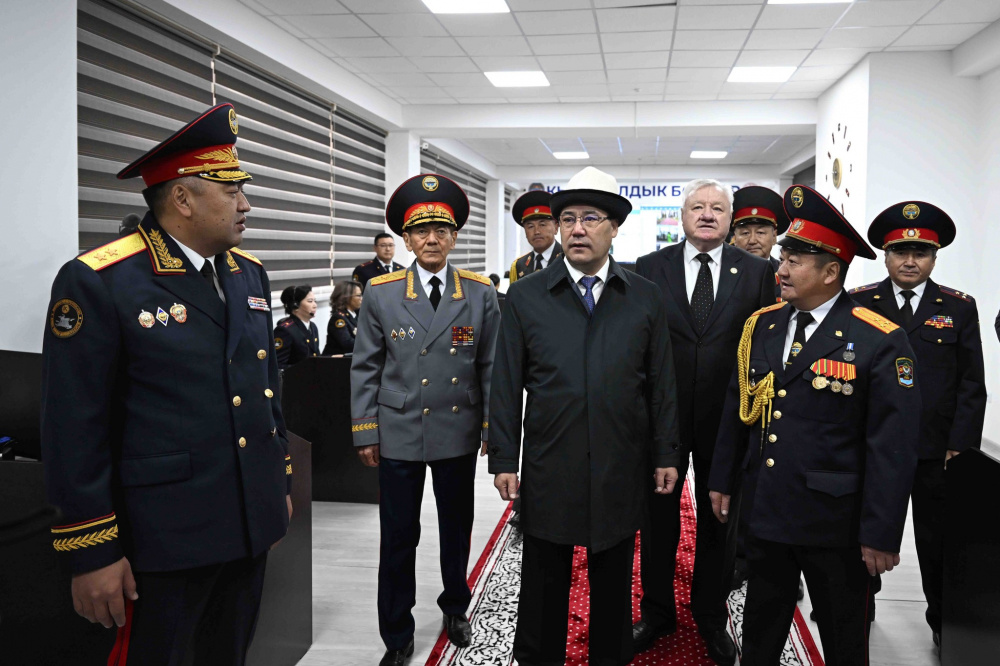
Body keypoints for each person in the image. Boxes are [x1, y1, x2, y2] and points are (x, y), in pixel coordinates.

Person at [40, 103, 292, 665]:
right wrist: (91, 550)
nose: (246, 204)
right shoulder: (102, 279)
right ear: (182, 198)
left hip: (247, 524)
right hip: (162, 540)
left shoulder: (247, 272)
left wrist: (277, 483)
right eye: (231, 190)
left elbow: (264, 389)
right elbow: (73, 427)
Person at [708, 185, 921, 666]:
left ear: (830, 272)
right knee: (760, 632)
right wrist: (721, 479)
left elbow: (893, 446)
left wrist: (882, 531)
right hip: (767, 514)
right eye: (784, 257)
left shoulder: (879, 339)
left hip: (835, 525)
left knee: (844, 639)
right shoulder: (762, 325)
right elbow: (739, 407)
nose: (781, 269)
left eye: (795, 261)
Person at [490, 166, 681, 666]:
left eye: (591, 218)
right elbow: (505, 383)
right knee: (544, 581)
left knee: (613, 582)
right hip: (551, 459)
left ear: (614, 228)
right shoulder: (526, 296)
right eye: (568, 219)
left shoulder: (644, 296)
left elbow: (661, 383)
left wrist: (666, 453)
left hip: (621, 460)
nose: (577, 229)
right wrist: (504, 458)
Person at [350, 173, 500, 666]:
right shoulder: (381, 292)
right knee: (398, 535)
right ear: (407, 240)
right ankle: (397, 633)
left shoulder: (478, 292)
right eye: (421, 232)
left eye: (441, 231)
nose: (432, 239)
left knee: (456, 528)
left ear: (454, 238)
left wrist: (490, 428)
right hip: (399, 428)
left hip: (457, 427)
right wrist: (365, 430)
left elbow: (491, 366)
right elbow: (366, 365)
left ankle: (455, 606)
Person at [633, 178, 775, 664]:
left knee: (720, 522)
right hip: (663, 418)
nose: (708, 214)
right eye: (698, 207)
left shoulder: (757, 272)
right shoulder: (650, 267)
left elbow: (765, 345)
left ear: (730, 218)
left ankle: (711, 616)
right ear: (682, 216)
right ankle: (656, 613)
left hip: (728, 420)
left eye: (717, 207)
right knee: (658, 521)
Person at [850, 200, 986, 648]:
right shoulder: (860, 303)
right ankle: (857, 606)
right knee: (863, 532)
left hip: (934, 449)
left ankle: (943, 623)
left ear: (934, 257)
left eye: (921, 253)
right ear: (885, 256)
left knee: (937, 540)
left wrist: (960, 445)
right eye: (900, 252)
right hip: (872, 444)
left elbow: (971, 382)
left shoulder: (958, 308)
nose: (910, 261)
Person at [731, 185, 790, 300]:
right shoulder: (721, 273)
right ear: (735, 238)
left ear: (774, 237)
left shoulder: (787, 274)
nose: (752, 240)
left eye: (760, 233)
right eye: (745, 233)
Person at [508, 190, 563, 284]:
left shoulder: (569, 259)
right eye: (530, 226)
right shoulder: (519, 265)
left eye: (542, 225)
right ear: (525, 231)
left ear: (556, 227)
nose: (537, 231)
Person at [274, 285, 319, 370]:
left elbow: (315, 357)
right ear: (295, 305)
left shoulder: (312, 326)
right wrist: (304, 370)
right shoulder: (285, 330)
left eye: (315, 301)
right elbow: (277, 366)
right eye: (310, 301)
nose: (315, 305)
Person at [323, 280, 363, 356]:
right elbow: (347, 344)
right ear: (347, 298)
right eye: (358, 296)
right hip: (337, 361)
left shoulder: (354, 315)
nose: (361, 299)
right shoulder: (339, 319)